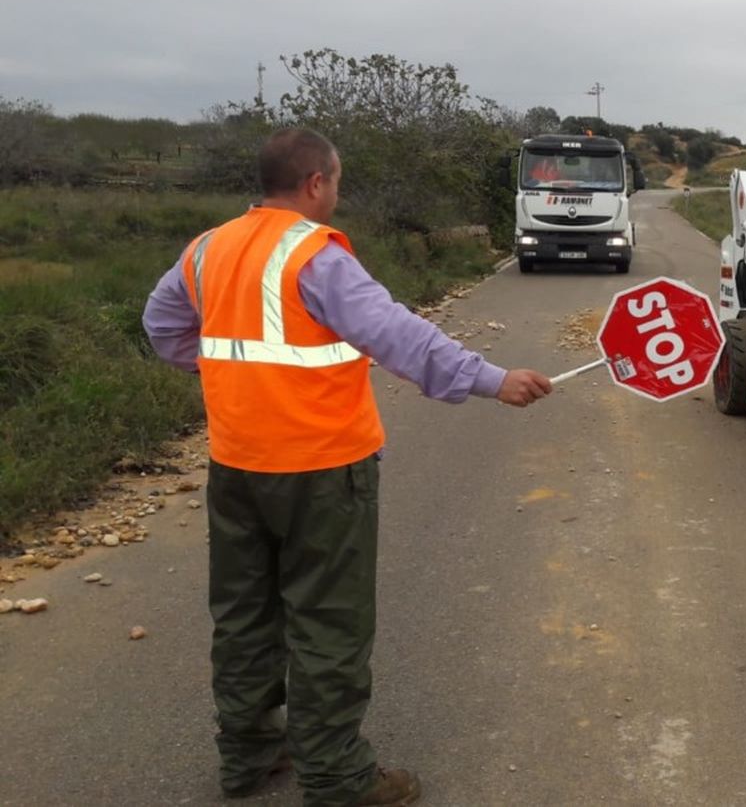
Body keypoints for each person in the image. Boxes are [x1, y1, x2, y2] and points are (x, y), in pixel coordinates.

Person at [142, 128, 553, 806]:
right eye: (335, 181)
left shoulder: (206, 249)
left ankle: (246, 757)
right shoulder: (315, 254)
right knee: (327, 622)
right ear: (314, 183)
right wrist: (490, 379)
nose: (335, 192)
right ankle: (336, 776)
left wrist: (232, 374)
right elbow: (396, 333)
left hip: (236, 465)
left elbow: (163, 329)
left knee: (244, 614)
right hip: (322, 469)